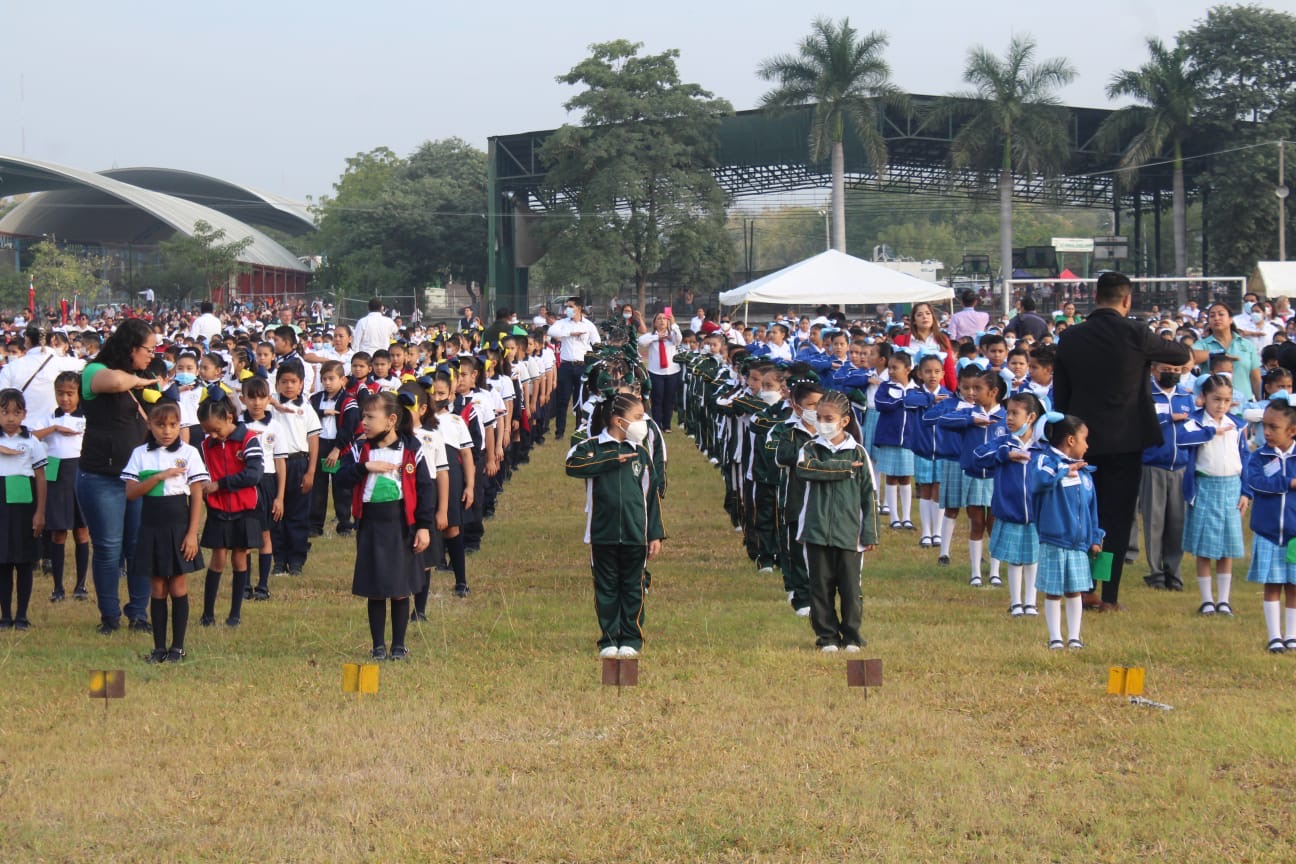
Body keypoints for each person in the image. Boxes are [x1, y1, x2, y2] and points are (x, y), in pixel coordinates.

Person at [1053, 271, 1190, 612]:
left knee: (1084, 514)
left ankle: (1085, 588)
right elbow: (1179, 354)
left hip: (1080, 440)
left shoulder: (1070, 337)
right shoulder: (1136, 333)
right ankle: (1109, 595)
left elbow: (1061, 395)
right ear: (1127, 300)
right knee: (1116, 520)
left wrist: (1064, 439)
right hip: (1126, 441)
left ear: (1095, 297)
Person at [564, 391, 664, 659]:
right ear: (620, 421)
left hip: (635, 533)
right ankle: (609, 638)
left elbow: (650, 495)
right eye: (638, 417)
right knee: (606, 587)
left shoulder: (640, 452)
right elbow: (572, 465)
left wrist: (654, 534)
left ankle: (631, 637)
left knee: (633, 587)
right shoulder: (592, 447)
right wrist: (609, 460)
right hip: (602, 532)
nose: (642, 423)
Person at [341, 390, 437, 661]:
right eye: (363, 417)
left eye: (370, 417)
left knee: (399, 587)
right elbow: (342, 478)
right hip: (371, 525)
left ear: (391, 420)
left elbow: (425, 489)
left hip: (400, 525)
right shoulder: (360, 449)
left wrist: (423, 526)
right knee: (375, 588)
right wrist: (365, 467)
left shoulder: (411, 449)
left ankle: (398, 645)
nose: (364, 422)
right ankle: (377, 646)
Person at [77, 318, 155, 634]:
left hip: (137, 477)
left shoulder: (137, 381)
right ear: (131, 348)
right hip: (102, 477)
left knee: (138, 547)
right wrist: (140, 382)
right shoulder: (94, 371)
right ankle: (109, 616)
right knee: (109, 548)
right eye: (148, 349)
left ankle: (139, 613)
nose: (152, 355)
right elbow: (113, 383)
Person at [121, 402, 208, 663]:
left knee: (177, 584)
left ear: (180, 424)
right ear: (150, 425)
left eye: (172, 425)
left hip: (179, 526)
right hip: (150, 526)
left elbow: (196, 495)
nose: (167, 431)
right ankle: (159, 648)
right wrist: (159, 477)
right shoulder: (140, 454)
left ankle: (177, 648)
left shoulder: (189, 452)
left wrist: (192, 534)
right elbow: (131, 492)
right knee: (157, 587)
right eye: (160, 425)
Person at [792, 389, 878, 653]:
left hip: (850, 532)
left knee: (851, 588)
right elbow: (805, 470)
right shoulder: (809, 449)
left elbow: (869, 496)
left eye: (829, 418)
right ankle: (827, 636)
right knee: (820, 586)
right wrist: (843, 469)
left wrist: (869, 533)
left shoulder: (858, 453)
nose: (822, 423)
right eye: (819, 417)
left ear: (844, 421)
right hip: (816, 530)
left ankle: (852, 636)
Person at [1029, 412, 1104, 649]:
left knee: (1075, 590)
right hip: (1054, 540)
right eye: (1084, 439)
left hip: (1078, 544)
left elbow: (1091, 508)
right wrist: (1064, 471)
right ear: (1071, 440)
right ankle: (1055, 638)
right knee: (1053, 591)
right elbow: (1039, 481)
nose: (1087, 445)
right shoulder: (1045, 461)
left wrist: (1095, 537)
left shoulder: (1085, 472)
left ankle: (1074, 637)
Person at [1180, 374, 1249, 617]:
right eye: (1216, 399)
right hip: (1205, 487)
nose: (1221, 405)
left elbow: (1245, 459)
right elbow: (1183, 441)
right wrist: (1211, 431)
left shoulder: (1237, 425)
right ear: (1203, 398)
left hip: (1231, 488)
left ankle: (1224, 600)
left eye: (1226, 400)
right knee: (1204, 547)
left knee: (1226, 547)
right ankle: (1207, 599)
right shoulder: (1194, 423)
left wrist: (1246, 491)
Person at [973, 392, 1045, 617]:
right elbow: (978, 456)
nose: (1009, 418)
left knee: (1032, 559)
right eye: (1008, 413)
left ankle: (1031, 602)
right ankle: (1016, 602)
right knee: (1015, 559)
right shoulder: (1003, 443)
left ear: (1031, 417)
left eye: (1015, 413)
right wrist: (1006, 455)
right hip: (1010, 513)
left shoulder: (1041, 447)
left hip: (1035, 515)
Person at [198, 391, 264, 628]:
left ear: (229, 417)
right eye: (208, 432)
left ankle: (235, 614)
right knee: (217, 558)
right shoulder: (206, 445)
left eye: (216, 430)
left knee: (239, 558)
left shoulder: (248, 439)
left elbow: (254, 475)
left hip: (245, 508)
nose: (213, 435)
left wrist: (221, 484)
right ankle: (207, 614)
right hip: (217, 509)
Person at [30, 371, 89, 602]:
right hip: (56, 476)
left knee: (81, 531)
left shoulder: (86, 418)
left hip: (79, 472)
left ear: (79, 394)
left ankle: (81, 586)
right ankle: (58, 587)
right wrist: (55, 428)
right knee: (58, 532)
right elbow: (31, 436)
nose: (65, 398)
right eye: (60, 393)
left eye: (70, 393)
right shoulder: (49, 418)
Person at [1244, 395, 1296, 653]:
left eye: (1273, 427)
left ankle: (1292, 635)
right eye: (1264, 425)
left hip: (1294, 535)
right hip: (1268, 534)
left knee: (1293, 586)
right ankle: (1274, 636)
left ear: (1292, 431)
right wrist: (1288, 483)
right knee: (1273, 584)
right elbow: (1255, 483)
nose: (1266, 432)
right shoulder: (1259, 456)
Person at [0, 389, 46, 631]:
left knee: (24, 561)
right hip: (1, 504)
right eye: (4, 412)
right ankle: (5, 616)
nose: (10, 418)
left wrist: (40, 512)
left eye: (16, 413)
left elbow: (41, 477)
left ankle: (21, 616)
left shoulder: (32, 441)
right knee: (3, 562)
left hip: (24, 505)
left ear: (24, 414)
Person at [269, 361, 320, 575]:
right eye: (284, 382)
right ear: (277, 384)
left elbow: (313, 440)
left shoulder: (306, 408)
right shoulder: (270, 407)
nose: (289, 386)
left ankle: (296, 560)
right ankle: (279, 560)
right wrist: (273, 402)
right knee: (276, 513)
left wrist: (311, 472)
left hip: (299, 463)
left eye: (293, 382)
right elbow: (252, 395)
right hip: (274, 464)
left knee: (298, 514)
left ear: (301, 385)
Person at [240, 377, 286, 600]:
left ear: (269, 399)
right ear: (243, 399)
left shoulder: (275, 426)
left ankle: (263, 586)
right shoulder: (238, 425)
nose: (256, 403)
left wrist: (280, 496)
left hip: (267, 482)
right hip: (245, 482)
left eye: (261, 397)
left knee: (265, 534)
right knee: (245, 537)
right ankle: (245, 585)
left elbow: (280, 462)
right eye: (251, 398)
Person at [309, 361, 358, 537]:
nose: (327, 383)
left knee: (342, 487)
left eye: (331, 378)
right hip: (319, 445)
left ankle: (344, 524)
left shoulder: (348, 401)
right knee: (318, 486)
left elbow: (349, 426)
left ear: (342, 380)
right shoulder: (315, 399)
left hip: (340, 448)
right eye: (324, 379)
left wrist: (337, 448)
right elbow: (308, 416)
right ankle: (315, 525)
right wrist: (323, 412)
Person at [0, 326, 83, 421]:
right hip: (60, 426)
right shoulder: (74, 364)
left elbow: (2, 401)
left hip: (21, 426)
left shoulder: (10, 368)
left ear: (27, 340)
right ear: (53, 339)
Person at [547, 298, 601, 438]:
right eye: (567, 306)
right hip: (566, 365)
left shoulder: (588, 325)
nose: (568, 309)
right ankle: (560, 431)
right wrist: (570, 333)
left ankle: (579, 429)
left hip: (582, 366)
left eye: (571, 306)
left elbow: (597, 343)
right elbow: (551, 331)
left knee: (581, 400)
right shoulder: (562, 323)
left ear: (579, 308)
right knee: (562, 400)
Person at [1193, 302, 1262, 404]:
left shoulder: (1246, 345)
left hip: (1244, 403)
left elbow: (1255, 378)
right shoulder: (1202, 344)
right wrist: (1219, 354)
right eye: (1212, 316)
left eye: (1221, 314)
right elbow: (1190, 357)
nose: (1216, 318)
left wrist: (1261, 401)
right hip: (1214, 404)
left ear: (1230, 319)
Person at [638, 312, 683, 433]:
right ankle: (657, 424)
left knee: (669, 399)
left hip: (672, 371)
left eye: (664, 318)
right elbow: (641, 342)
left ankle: (667, 425)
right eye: (659, 319)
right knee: (657, 399)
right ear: (654, 323)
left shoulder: (672, 335)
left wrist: (674, 324)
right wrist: (657, 337)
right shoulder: (651, 336)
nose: (662, 321)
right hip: (656, 372)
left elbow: (679, 339)